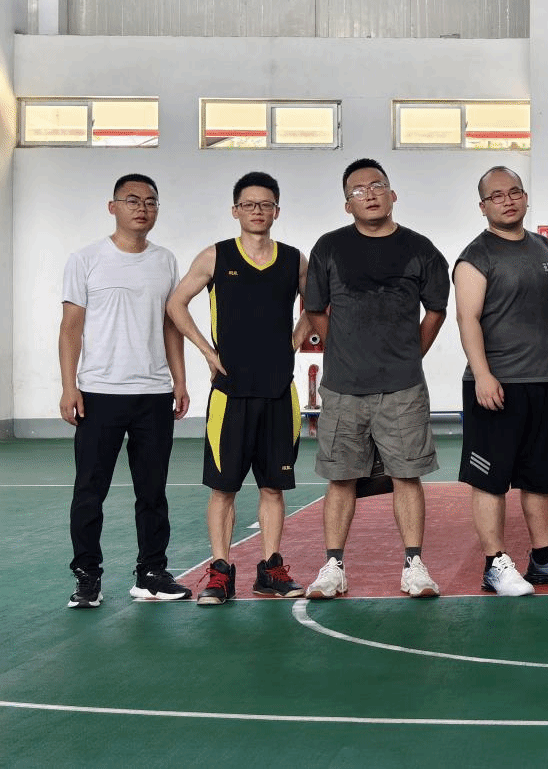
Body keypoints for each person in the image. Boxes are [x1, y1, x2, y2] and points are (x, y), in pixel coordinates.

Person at [303, 158, 450, 600]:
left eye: (377, 185)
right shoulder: (329, 247)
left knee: (407, 475)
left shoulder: (420, 249)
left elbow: (436, 310)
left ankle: (414, 566)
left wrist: (410, 355)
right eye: (357, 190)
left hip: (402, 388)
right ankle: (333, 567)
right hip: (343, 388)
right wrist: (343, 351)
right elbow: (315, 309)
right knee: (341, 478)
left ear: (392, 194)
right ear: (347, 204)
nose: (368, 194)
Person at [166, 172, 310, 606]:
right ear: (236, 211)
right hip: (230, 395)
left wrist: (295, 340)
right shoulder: (216, 256)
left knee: (273, 488)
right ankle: (220, 571)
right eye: (249, 204)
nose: (257, 211)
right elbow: (175, 303)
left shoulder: (294, 260)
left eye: (265, 204)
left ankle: (270, 570)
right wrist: (207, 351)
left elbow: (319, 304)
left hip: (279, 393)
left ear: (277, 211)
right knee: (223, 489)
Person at [453, 166, 548, 596]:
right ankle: (494, 565)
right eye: (497, 196)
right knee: (489, 480)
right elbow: (467, 318)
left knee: (540, 478)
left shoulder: (545, 248)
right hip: (495, 385)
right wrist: (483, 374)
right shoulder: (476, 255)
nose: (507, 200)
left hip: (542, 381)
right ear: (483, 206)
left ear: (525, 197)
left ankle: (545, 559)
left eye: (514, 192)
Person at [60, 174, 192, 607]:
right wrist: (69, 386)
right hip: (98, 393)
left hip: (153, 395)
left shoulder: (165, 260)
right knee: (89, 492)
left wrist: (179, 380)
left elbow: (170, 325)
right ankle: (87, 577)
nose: (142, 208)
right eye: (132, 200)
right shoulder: (85, 259)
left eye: (151, 202)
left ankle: (150, 574)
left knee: (152, 492)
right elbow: (71, 327)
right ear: (112, 206)